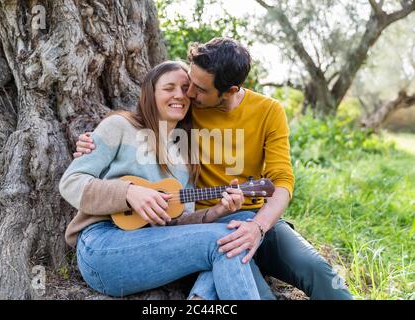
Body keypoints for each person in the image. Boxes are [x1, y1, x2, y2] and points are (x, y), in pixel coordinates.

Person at [75, 38, 353, 300]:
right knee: (242, 271)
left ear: (230, 91)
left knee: (318, 271)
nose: (189, 93)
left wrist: (258, 227)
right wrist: (92, 144)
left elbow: (282, 180)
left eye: (200, 89)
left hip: (254, 218)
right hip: (198, 225)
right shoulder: (186, 109)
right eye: (190, 83)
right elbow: (146, 117)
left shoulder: (269, 111)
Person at [59, 60, 268, 299]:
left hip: (154, 241)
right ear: (151, 93)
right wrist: (128, 192)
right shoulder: (119, 126)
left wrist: (217, 211)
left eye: (185, 88)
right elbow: (71, 182)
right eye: (169, 88)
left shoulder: (187, 152)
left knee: (241, 224)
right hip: (103, 244)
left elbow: (178, 222)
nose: (179, 95)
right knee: (223, 240)